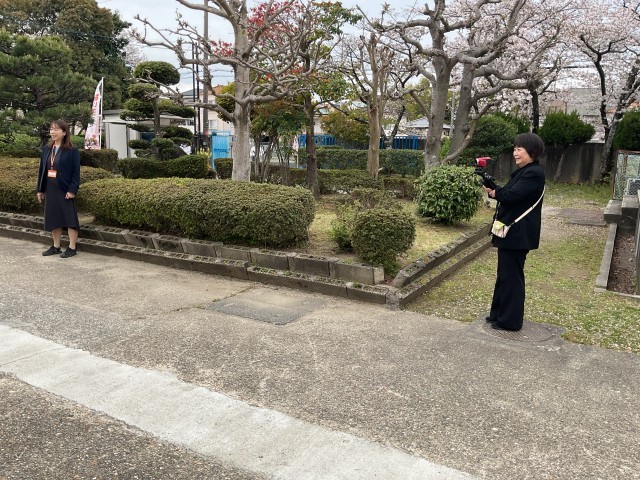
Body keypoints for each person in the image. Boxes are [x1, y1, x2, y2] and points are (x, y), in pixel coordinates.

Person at [484, 133, 546, 331]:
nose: (515, 153)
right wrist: (494, 190)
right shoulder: (523, 172)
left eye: (520, 149)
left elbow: (513, 196)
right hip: (511, 232)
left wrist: (497, 193)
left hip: (518, 234)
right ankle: (498, 315)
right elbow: (509, 195)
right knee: (504, 274)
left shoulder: (533, 173)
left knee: (512, 277)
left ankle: (510, 322)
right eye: (514, 149)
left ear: (532, 152)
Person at [36, 119, 81, 258]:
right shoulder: (47, 149)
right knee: (53, 217)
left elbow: (76, 173)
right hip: (50, 189)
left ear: (64, 132)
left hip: (64, 189)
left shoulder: (72, 150)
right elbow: (42, 170)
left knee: (70, 219)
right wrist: (40, 189)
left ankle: (72, 247)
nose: (52, 132)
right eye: (51, 129)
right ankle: (56, 247)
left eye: (56, 129)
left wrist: (72, 190)